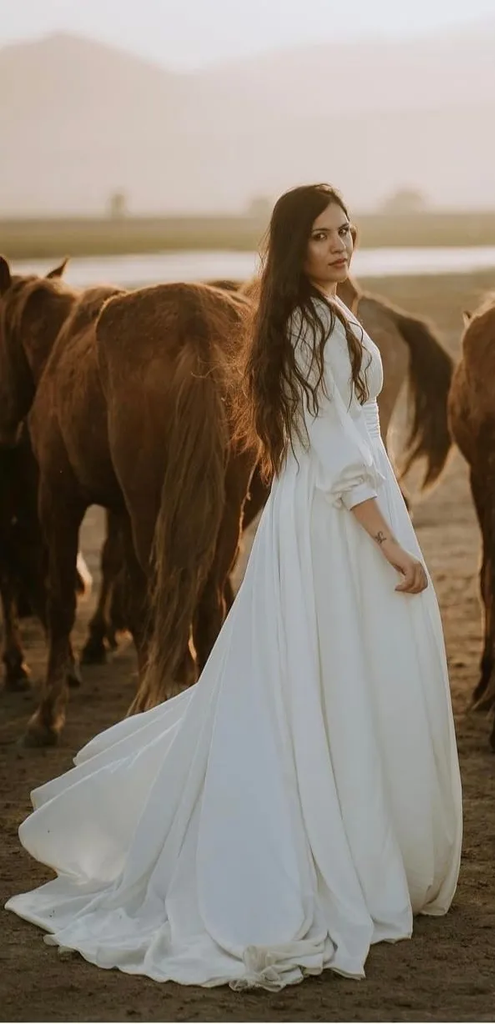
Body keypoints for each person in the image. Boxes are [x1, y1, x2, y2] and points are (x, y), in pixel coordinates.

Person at [5, 183, 463, 991]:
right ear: (292, 247)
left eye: (347, 232)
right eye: (322, 235)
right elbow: (328, 448)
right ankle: (321, 852)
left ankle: (359, 837)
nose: (340, 245)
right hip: (336, 519)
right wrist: (388, 541)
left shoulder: (329, 315)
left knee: (341, 678)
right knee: (327, 677)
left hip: (344, 506)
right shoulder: (304, 326)